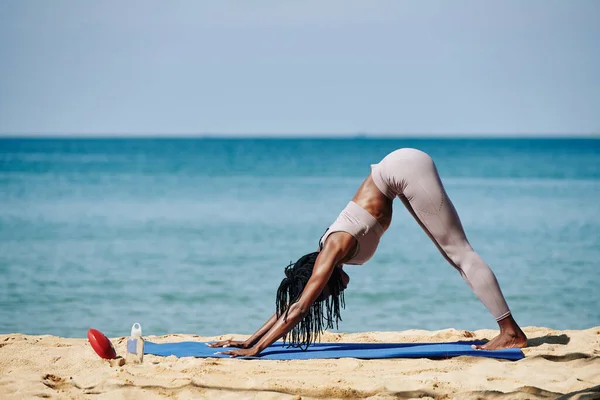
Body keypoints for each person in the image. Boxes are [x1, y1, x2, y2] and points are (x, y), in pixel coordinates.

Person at [208, 148, 527, 357]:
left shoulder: (334, 249)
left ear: (322, 277)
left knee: (459, 253)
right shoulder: (332, 253)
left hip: (402, 169)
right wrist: (248, 339)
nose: (337, 291)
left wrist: (258, 350)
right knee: (452, 255)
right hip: (397, 176)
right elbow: (294, 302)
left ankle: (510, 331)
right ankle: (507, 328)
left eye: (328, 291)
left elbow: (301, 307)